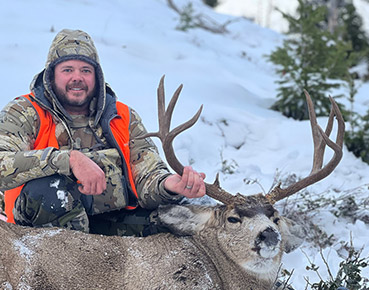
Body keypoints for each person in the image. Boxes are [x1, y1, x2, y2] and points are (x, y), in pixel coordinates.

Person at [0, 29, 206, 237]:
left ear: (97, 76)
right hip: (37, 231)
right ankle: (67, 267)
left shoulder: (122, 116)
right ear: (51, 75)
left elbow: (146, 174)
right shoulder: (24, 112)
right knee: (51, 189)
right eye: (67, 70)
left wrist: (169, 185)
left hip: (110, 222)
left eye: (86, 70)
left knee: (181, 218)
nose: (77, 78)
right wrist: (68, 160)